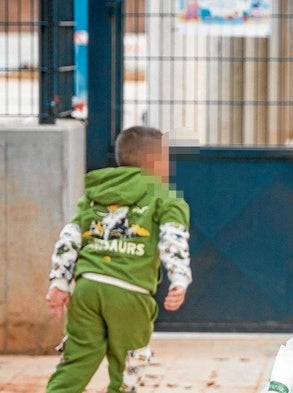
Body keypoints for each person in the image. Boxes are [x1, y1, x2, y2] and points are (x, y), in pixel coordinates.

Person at [45, 126, 192, 393]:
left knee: (76, 361)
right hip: (131, 291)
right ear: (154, 161)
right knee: (128, 366)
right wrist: (179, 278)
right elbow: (174, 238)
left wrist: (59, 282)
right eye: (167, 158)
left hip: (88, 287)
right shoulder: (164, 195)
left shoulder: (94, 192)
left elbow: (70, 237)